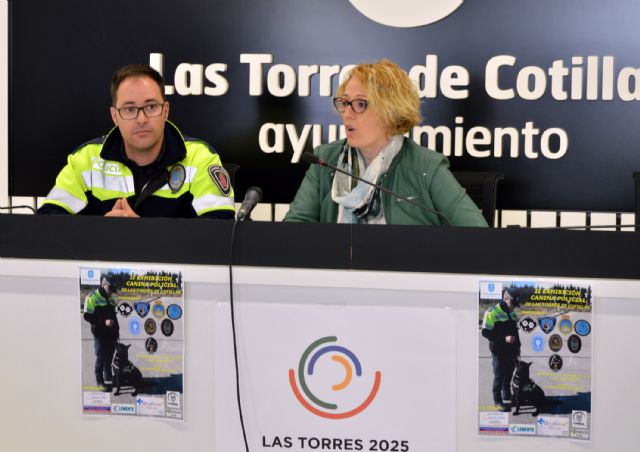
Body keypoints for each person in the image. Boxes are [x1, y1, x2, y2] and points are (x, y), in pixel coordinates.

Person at [283, 59, 487, 226]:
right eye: (345, 103)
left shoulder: (426, 166)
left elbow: (476, 234)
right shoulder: (324, 160)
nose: (347, 114)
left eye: (360, 104)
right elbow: (293, 232)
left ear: (390, 112)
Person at [38, 64, 235, 218]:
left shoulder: (200, 159)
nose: (142, 119)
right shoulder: (85, 161)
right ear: (114, 116)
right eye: (130, 109)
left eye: (150, 107)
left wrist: (140, 234)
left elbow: (220, 231)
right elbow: (49, 224)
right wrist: (100, 230)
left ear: (165, 111)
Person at [481, 288, 521, 411]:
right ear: (506, 298)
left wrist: (518, 348)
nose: (514, 307)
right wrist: (504, 339)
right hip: (498, 351)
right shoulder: (492, 312)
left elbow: (515, 332)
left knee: (509, 373)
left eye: (515, 305)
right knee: (499, 375)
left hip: (511, 351)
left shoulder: (513, 313)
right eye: (513, 304)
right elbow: (485, 332)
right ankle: (497, 401)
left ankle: (506, 393)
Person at [84, 274, 119, 392]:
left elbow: (114, 317)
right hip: (99, 334)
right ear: (103, 284)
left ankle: (107, 375)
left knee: (110, 354)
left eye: (113, 291)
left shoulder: (111, 299)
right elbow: (88, 317)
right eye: (110, 289)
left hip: (111, 334)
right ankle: (99, 381)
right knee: (101, 357)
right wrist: (104, 322)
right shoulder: (92, 297)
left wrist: (117, 332)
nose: (111, 293)